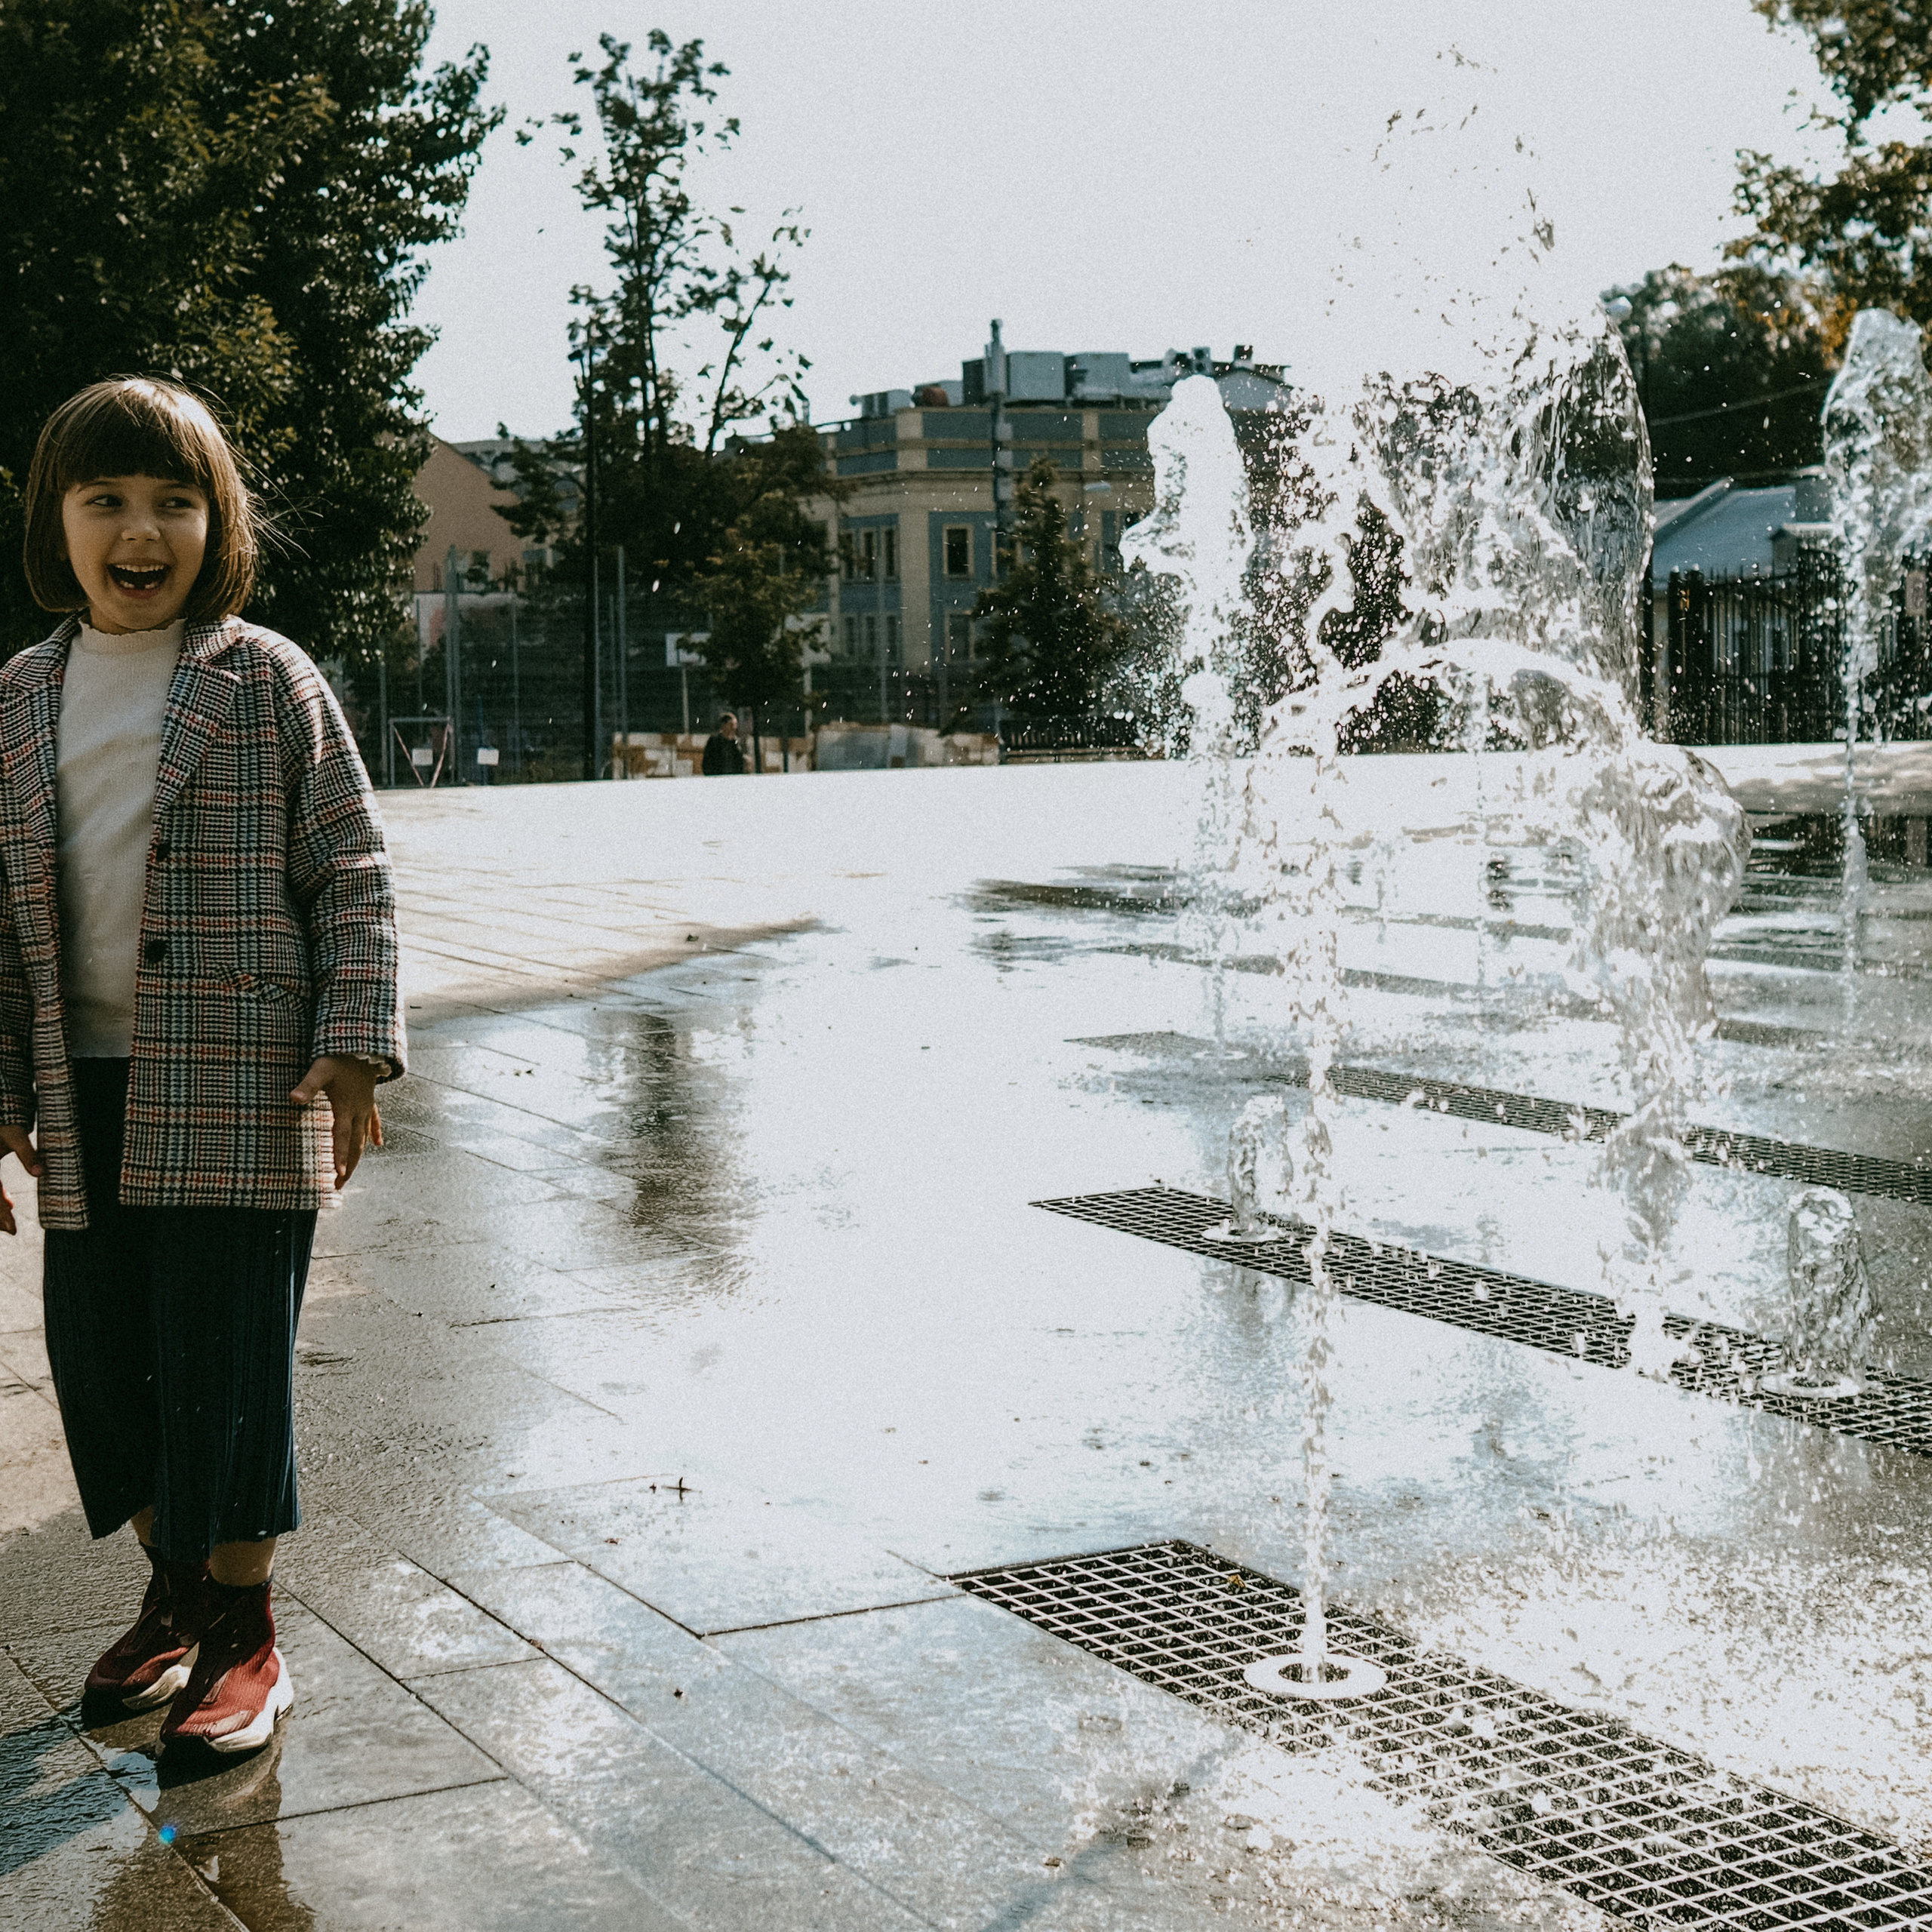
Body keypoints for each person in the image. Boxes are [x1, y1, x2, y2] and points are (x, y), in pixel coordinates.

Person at [0, 377, 403, 1756]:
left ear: (216, 521)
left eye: (174, 501)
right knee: (102, 1368)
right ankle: (173, 1592)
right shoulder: (22, 696)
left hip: (241, 1083)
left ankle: (245, 1631)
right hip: (83, 1090)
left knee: (226, 1366)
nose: (141, 530)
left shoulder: (265, 678)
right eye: (106, 500)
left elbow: (350, 867)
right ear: (57, 524)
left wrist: (353, 1044)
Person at [701, 710, 746, 775]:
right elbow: (707, 761)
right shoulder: (714, 741)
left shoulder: (737, 742)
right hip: (718, 776)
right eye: (731, 725)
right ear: (724, 725)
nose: (734, 728)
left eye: (735, 724)